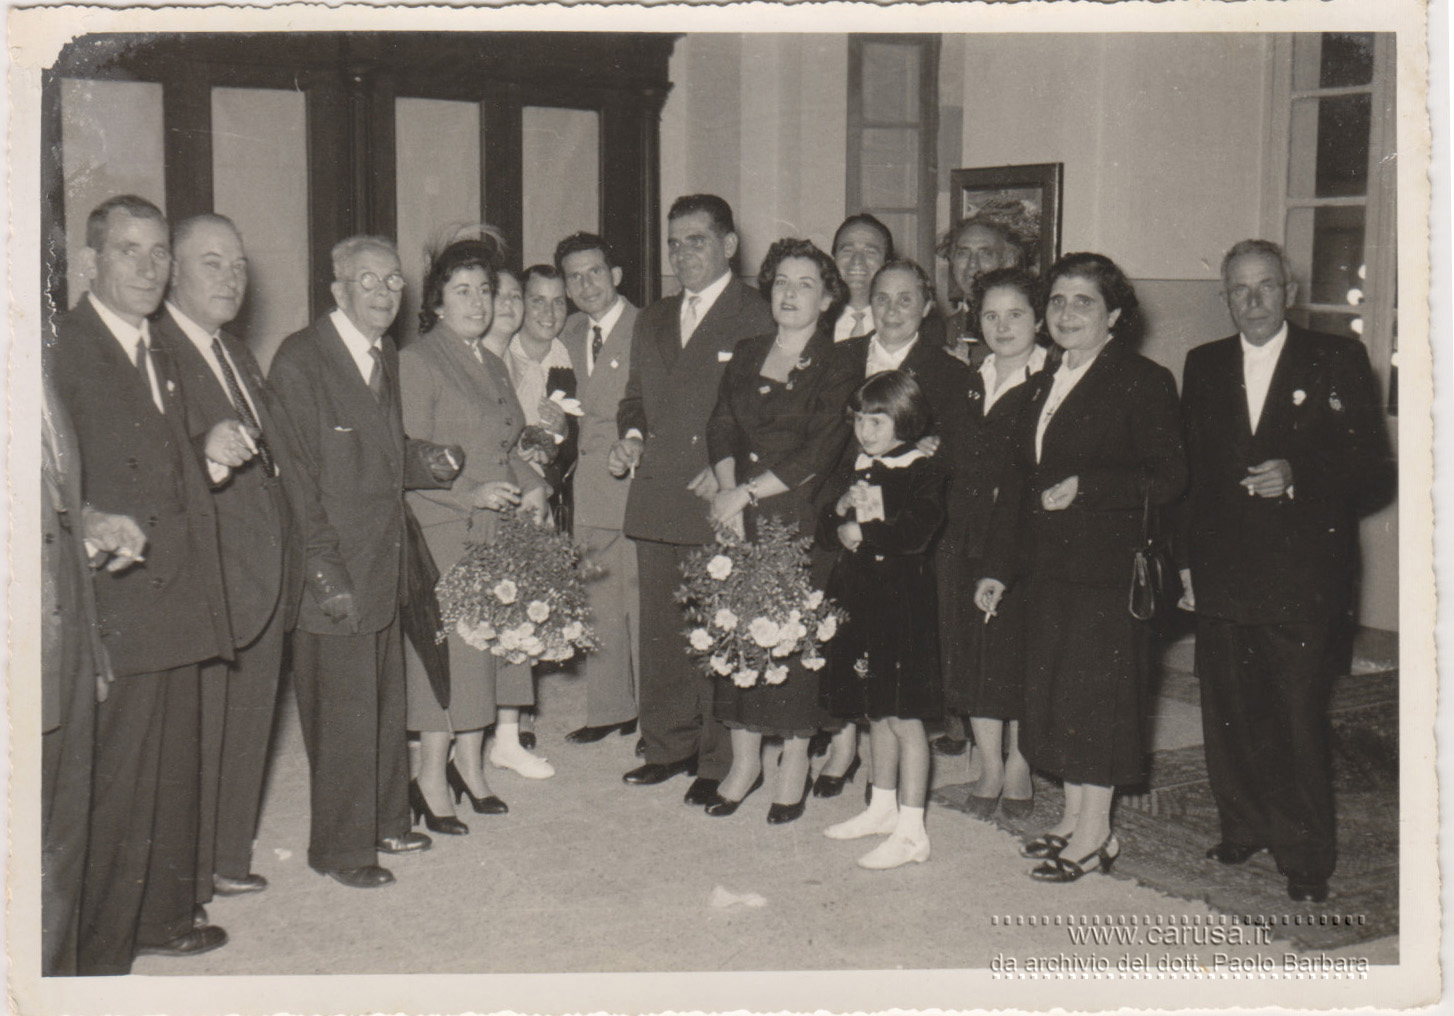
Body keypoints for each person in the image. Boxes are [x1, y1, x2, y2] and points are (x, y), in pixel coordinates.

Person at [48, 194, 239, 972]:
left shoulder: (153, 344)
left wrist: (204, 447)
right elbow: (48, 471)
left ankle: (162, 914)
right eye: (130, 250)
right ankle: (97, 956)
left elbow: (154, 454)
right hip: (118, 599)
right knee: (118, 781)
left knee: (170, 770)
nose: (150, 266)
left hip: (175, 590)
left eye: (159, 251)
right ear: (91, 261)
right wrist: (89, 516)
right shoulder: (66, 350)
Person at [1178, 239, 1393, 903]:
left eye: (1265, 285)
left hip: (1302, 574)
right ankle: (1242, 825)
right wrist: (1184, 562)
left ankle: (1305, 854)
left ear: (1290, 292)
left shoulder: (1336, 359)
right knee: (1229, 708)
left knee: (1296, 715)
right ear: (1225, 298)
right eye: (1239, 289)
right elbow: (1191, 477)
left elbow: (1374, 474)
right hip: (1222, 568)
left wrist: (1299, 476)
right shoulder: (1204, 364)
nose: (1253, 300)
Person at [975, 252, 1186, 883]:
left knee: (1098, 703)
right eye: (1058, 301)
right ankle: (1072, 820)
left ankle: (1096, 836)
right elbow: (1019, 487)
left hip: (1107, 573)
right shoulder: (1044, 381)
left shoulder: (1143, 380)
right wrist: (998, 569)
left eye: (1084, 302)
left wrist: (1088, 488)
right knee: (1059, 698)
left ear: (1114, 315)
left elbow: (1170, 477)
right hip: (1049, 571)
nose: (1067, 314)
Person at [268, 235, 462, 889]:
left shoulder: (382, 356)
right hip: (334, 571)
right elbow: (296, 481)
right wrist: (324, 574)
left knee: (382, 704)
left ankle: (385, 821)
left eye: (393, 282)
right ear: (338, 290)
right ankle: (341, 848)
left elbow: (380, 450)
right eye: (368, 281)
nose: (384, 294)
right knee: (342, 717)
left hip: (384, 561)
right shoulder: (301, 360)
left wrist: (428, 460)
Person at [151, 213, 334, 906]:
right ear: (174, 271)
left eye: (238, 265)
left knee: (249, 724)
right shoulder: (157, 349)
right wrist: (204, 447)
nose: (230, 278)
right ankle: (188, 877)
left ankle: (227, 857)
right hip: (208, 579)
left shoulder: (233, 351)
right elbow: (149, 458)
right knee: (200, 735)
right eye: (212, 263)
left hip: (261, 577)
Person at [611, 194, 775, 804]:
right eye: (674, 243)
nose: (682, 254)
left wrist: (726, 465)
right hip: (658, 490)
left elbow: (767, 409)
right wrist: (630, 437)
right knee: (662, 633)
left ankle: (719, 759)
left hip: (718, 493)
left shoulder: (757, 313)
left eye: (696, 240)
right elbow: (635, 398)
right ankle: (666, 745)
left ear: (729, 245)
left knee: (719, 628)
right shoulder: (653, 317)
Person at [400, 238, 552, 827]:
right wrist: (471, 494)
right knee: (452, 657)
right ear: (437, 302)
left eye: (485, 290)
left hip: (496, 522)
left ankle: (470, 765)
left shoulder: (489, 360)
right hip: (447, 524)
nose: (478, 302)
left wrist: (532, 485)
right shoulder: (419, 360)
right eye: (462, 291)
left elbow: (503, 446)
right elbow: (408, 458)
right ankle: (428, 778)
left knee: (487, 654)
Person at [701, 238, 848, 823]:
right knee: (737, 633)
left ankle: (794, 762)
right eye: (782, 281)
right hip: (738, 512)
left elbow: (821, 449)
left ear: (827, 299)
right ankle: (744, 763)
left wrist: (746, 493)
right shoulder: (747, 350)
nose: (790, 293)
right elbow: (721, 424)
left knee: (792, 641)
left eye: (805, 284)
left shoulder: (839, 361)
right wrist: (727, 494)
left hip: (799, 516)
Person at [819, 259, 975, 795]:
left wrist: (925, 451)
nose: (891, 310)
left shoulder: (950, 371)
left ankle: (887, 783)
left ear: (927, 306)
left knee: (895, 667)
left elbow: (958, 453)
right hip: (847, 513)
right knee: (848, 646)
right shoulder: (840, 356)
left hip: (903, 532)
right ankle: (845, 749)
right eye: (881, 298)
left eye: (905, 299)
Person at [818, 370, 947, 868]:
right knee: (876, 711)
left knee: (904, 716)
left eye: (878, 421)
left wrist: (865, 534)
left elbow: (916, 533)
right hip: (862, 599)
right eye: (859, 420)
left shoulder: (921, 468)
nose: (865, 430)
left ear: (905, 419)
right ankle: (882, 808)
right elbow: (826, 530)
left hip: (901, 604)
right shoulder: (861, 465)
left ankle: (913, 831)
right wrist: (840, 510)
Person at [41, 375, 143, 975]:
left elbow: (49, 494)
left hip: (67, 636)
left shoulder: (38, 376)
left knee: (60, 845)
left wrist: (90, 521)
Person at [942, 267, 1051, 819]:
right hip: (965, 535)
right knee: (976, 655)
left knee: (1020, 654)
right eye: (990, 315)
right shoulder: (967, 379)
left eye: (1015, 314)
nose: (1002, 326)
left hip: (1026, 541)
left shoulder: (1053, 379)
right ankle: (989, 764)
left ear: (1039, 319)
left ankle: (1020, 766)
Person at [556, 232, 641, 744]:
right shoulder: (566, 331)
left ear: (616, 275)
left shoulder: (646, 327)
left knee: (641, 603)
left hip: (631, 479)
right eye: (575, 277)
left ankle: (654, 715)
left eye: (595, 272)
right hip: (585, 489)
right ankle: (610, 709)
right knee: (598, 602)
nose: (586, 284)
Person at [504, 264, 577, 527]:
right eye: (538, 301)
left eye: (558, 302)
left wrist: (563, 433)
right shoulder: (500, 355)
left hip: (550, 506)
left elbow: (579, 449)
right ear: (521, 303)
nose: (549, 313)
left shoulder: (572, 362)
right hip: (504, 494)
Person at [935, 201, 1037, 373]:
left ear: (1008, 261)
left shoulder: (1026, 327)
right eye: (963, 254)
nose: (972, 265)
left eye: (985, 254)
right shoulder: (940, 331)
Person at [831, 213, 891, 343]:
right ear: (833, 260)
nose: (857, 260)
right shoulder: (813, 319)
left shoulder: (904, 322)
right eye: (847, 250)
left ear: (887, 264)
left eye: (870, 252)